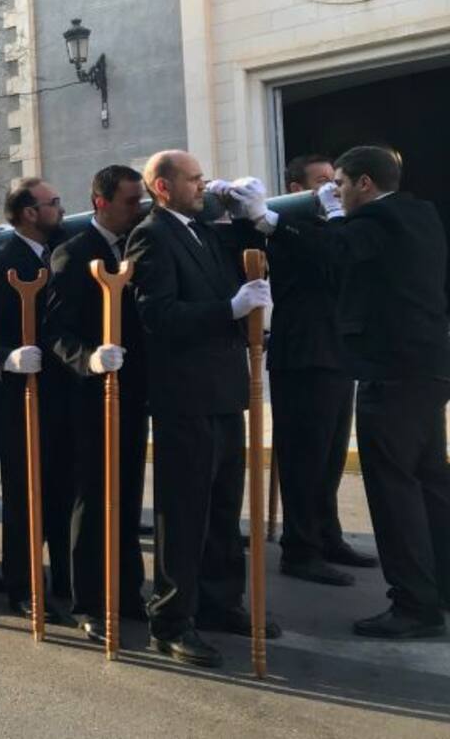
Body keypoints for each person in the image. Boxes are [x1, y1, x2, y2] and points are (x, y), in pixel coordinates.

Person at [231, 146, 450, 639]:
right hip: (424, 368)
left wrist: (275, 219)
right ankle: (439, 587)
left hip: (392, 372)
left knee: (395, 490)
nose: (336, 193)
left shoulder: (375, 223)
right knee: (430, 481)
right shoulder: (419, 214)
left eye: (342, 184)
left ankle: (415, 604)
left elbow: (336, 253)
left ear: (365, 184)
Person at [126, 150, 280, 669]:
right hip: (185, 396)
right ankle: (170, 620)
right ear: (162, 188)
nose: (204, 186)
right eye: (194, 180)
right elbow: (158, 315)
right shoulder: (152, 235)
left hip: (223, 391)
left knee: (220, 509)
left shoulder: (203, 232)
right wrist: (229, 310)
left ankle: (218, 601)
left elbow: (243, 265)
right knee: (185, 512)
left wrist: (253, 220)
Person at [0, 178, 76, 622]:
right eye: (53, 202)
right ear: (29, 212)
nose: (60, 209)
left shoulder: (58, 248)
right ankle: (24, 588)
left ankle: (64, 580)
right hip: (21, 397)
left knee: (61, 495)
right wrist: (7, 357)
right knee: (27, 498)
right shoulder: (2, 260)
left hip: (61, 393)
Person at [44, 164, 150, 642]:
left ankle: (127, 591)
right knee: (91, 499)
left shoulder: (135, 246)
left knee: (126, 495)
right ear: (101, 201)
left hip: (131, 393)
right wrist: (89, 359)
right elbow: (54, 331)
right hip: (87, 397)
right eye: (130, 201)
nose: (138, 209)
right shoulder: (72, 254)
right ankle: (87, 600)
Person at [265, 155, 373, 586]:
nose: (333, 188)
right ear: (297, 189)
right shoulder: (289, 228)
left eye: (336, 181)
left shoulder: (332, 228)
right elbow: (326, 264)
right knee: (304, 458)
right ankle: (300, 549)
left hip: (334, 353)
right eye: (323, 182)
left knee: (328, 456)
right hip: (303, 355)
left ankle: (328, 535)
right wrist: (332, 220)